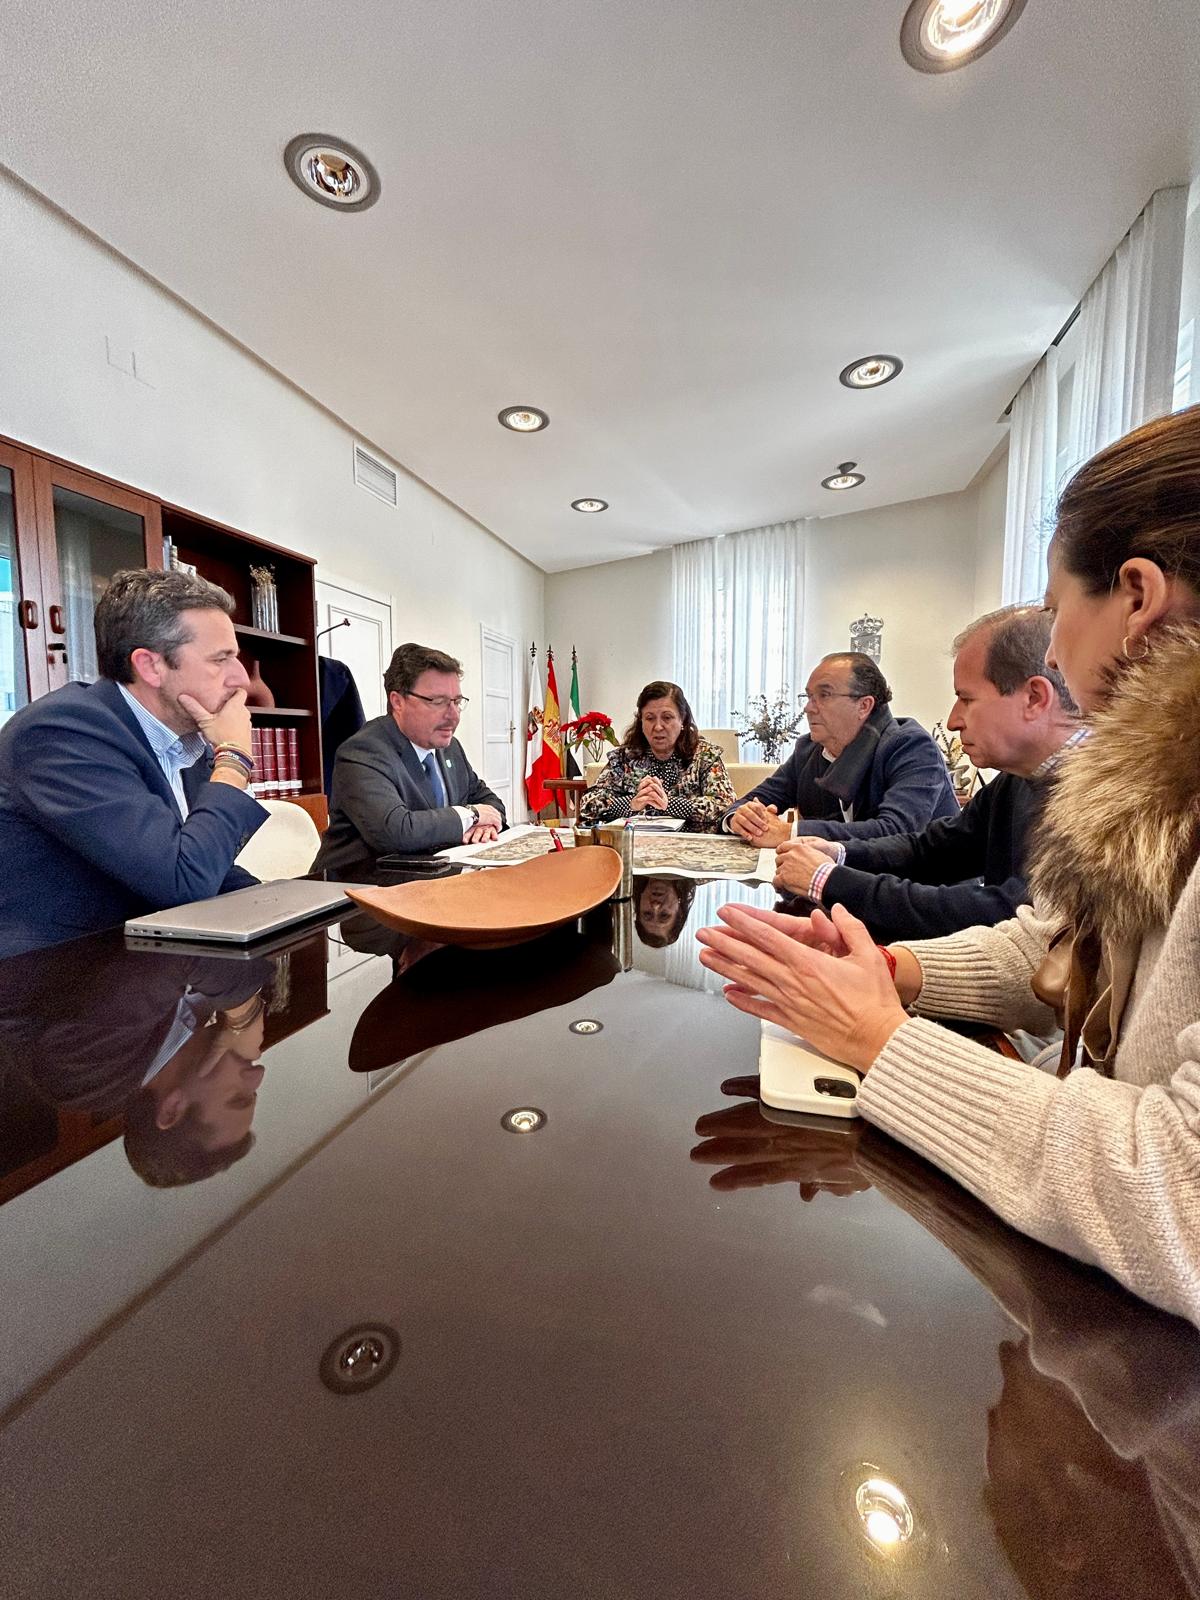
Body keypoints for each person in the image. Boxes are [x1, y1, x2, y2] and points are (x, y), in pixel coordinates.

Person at [696, 403, 1200, 1323]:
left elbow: (1182, 1200)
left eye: (1055, 610)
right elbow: (1041, 945)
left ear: (1135, 595)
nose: (1049, 642)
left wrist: (881, 1039)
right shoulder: (1152, 788)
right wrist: (889, 968)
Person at [0, 568, 267, 959]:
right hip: (59, 986)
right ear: (150, 666)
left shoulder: (185, 736)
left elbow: (207, 864)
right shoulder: (62, 732)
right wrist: (234, 758)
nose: (241, 679)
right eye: (221, 659)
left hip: (146, 966)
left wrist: (280, 903)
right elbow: (184, 880)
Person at [773, 606, 1083, 942]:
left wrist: (827, 880)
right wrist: (839, 852)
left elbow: (1007, 911)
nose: (952, 720)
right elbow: (932, 850)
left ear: (1035, 698)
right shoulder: (1019, 780)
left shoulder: (1097, 799)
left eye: (966, 698)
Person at [722, 652, 957, 847]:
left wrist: (790, 832)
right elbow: (746, 803)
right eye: (808, 696)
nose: (808, 708)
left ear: (864, 706)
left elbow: (896, 832)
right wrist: (740, 818)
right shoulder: (808, 751)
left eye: (823, 695)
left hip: (925, 891)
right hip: (841, 885)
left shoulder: (910, 746)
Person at [312, 642, 506, 871]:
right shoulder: (362, 752)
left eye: (456, 702)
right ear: (398, 701)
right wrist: (472, 815)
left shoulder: (450, 747)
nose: (453, 715)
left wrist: (486, 824)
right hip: (357, 889)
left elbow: (491, 803)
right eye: (438, 701)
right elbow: (397, 831)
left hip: (431, 880)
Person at [577, 680, 735, 831]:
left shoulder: (704, 756)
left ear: (683, 720)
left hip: (691, 847)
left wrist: (669, 804)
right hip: (634, 844)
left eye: (667, 717)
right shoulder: (624, 758)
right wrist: (631, 803)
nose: (658, 727)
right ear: (641, 722)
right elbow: (587, 805)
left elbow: (725, 805)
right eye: (650, 718)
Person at [634, 877, 697, 948]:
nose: (655, 906)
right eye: (664, 915)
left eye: (647, 913)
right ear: (679, 910)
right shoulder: (701, 870)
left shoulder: (625, 870)